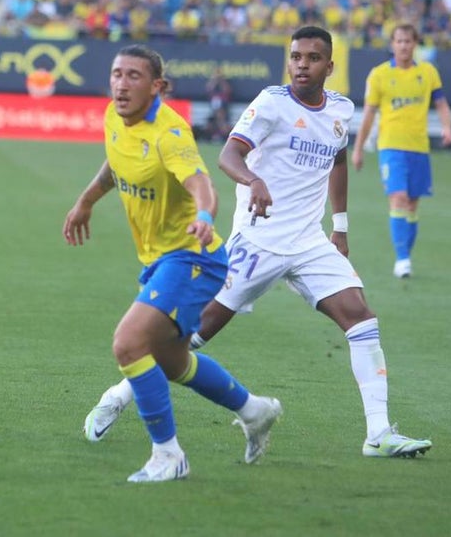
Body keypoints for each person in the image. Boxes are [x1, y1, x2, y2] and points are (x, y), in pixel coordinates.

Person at [82, 27, 432, 459]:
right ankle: (118, 395)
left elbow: (337, 157)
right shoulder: (272, 103)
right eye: (296, 57)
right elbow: (229, 155)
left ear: (330, 67)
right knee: (192, 334)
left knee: (362, 320)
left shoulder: (341, 108)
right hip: (258, 239)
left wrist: (339, 225)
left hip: (309, 241)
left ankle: (378, 433)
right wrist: (254, 179)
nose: (302, 64)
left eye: (312, 58)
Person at [63, 44, 283, 483]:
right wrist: (86, 201)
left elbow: (202, 184)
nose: (121, 84)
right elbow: (116, 162)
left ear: (157, 86)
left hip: (193, 257)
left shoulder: (170, 132)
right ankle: (255, 411)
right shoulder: (114, 117)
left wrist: (204, 215)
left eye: (133, 76)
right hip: (160, 259)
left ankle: (168, 455)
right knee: (174, 361)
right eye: (116, 74)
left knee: (128, 344)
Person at [352, 24, 451, 279]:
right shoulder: (379, 75)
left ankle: (405, 256)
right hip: (391, 146)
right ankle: (402, 259)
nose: (404, 45)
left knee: (412, 205)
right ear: (392, 44)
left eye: (408, 41)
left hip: (419, 147)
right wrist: (358, 149)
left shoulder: (428, 72)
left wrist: (447, 128)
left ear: (415, 44)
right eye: (399, 41)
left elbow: (441, 103)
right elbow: (368, 114)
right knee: (398, 198)